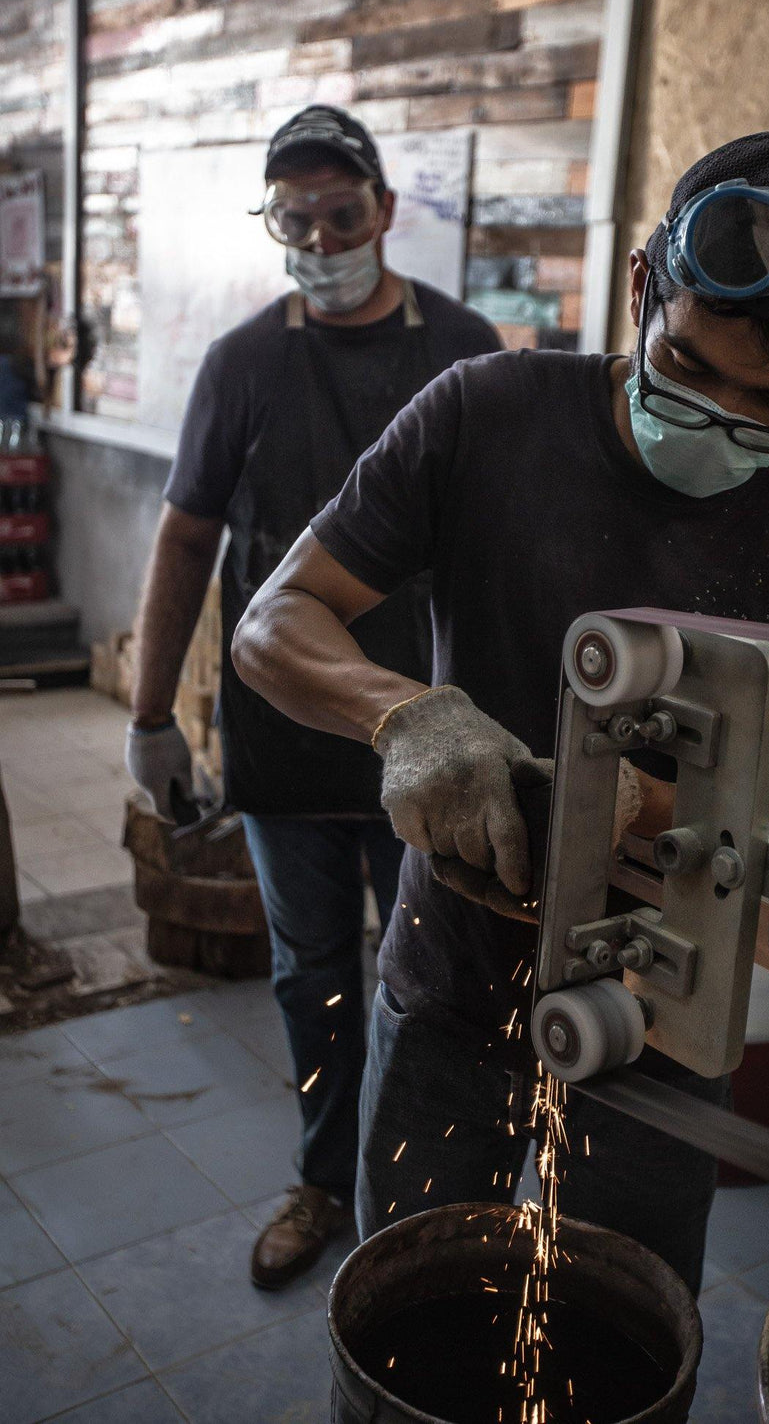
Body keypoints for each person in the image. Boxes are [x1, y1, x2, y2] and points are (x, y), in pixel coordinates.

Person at [231, 131, 769, 1296]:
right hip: (450, 982)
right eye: (689, 371)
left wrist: (623, 804)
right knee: (413, 1319)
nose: (723, 420)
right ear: (644, 287)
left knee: (614, 1341)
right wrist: (409, 718)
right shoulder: (486, 414)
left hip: (663, 1020)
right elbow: (274, 626)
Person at [124, 105, 502, 1288]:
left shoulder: (466, 350)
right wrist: (148, 721)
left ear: (385, 213)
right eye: (297, 219)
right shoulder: (243, 363)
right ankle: (323, 1176)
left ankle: (420, 1187)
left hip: (427, 736)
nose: (323, 239)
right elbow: (185, 542)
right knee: (311, 973)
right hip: (285, 736)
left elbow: (502, 551)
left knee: (434, 969)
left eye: (343, 215)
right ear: (272, 224)